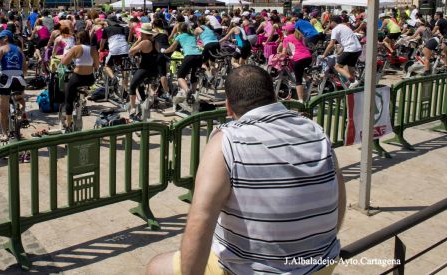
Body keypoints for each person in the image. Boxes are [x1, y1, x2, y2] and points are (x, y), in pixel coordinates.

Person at [146, 66, 345, 275]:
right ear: (274, 95)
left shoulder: (227, 140)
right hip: (321, 266)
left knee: (157, 266)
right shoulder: (315, 130)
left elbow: (200, 221)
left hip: (248, 271)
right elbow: (338, 196)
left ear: (229, 107)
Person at [60, 30, 99, 131]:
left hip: (78, 78)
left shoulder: (76, 48)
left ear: (78, 39)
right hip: (90, 79)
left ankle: (68, 124)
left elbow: (64, 62)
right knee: (82, 88)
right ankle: (83, 99)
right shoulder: (93, 50)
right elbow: (96, 66)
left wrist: (65, 56)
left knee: (68, 100)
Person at [164, 23, 203, 104]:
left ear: (179, 29)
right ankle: (192, 95)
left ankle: (187, 90)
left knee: (180, 76)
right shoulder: (192, 35)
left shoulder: (179, 36)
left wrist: (164, 51)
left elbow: (171, 48)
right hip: (199, 56)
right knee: (194, 75)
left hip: (189, 56)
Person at [127, 23, 159, 120]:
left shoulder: (144, 42)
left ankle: (132, 109)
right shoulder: (154, 42)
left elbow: (130, 51)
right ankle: (146, 100)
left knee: (132, 86)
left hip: (145, 69)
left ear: (143, 33)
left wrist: (137, 41)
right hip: (155, 69)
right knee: (140, 82)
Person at [322, 16, 362, 88]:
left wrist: (324, 55)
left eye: (329, 22)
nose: (329, 24)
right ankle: (353, 84)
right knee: (350, 67)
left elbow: (331, 44)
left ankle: (353, 80)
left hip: (350, 49)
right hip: (358, 49)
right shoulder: (345, 27)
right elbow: (345, 42)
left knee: (337, 67)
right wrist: (338, 53)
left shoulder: (335, 29)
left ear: (333, 22)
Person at [280, 22, 313, 101]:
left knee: (298, 81)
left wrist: (279, 55)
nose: (284, 31)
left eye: (284, 30)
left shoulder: (286, 39)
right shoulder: (299, 36)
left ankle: (301, 100)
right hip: (308, 57)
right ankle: (307, 78)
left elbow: (284, 53)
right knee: (299, 70)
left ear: (287, 31)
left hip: (299, 59)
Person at [100, 15, 130, 95]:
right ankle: (125, 90)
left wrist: (101, 49)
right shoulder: (122, 28)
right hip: (125, 49)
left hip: (114, 49)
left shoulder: (106, 29)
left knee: (106, 66)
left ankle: (114, 78)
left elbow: (102, 42)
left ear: (109, 22)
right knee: (124, 70)